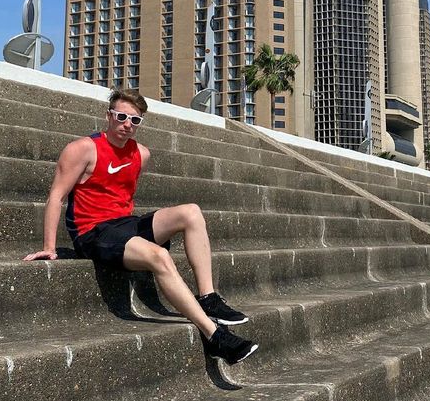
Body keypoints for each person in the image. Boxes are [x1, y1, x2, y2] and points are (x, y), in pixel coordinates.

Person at [24, 88, 257, 365]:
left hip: (125, 225)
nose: (127, 124)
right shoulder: (83, 149)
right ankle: (215, 336)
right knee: (160, 256)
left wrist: (140, 232)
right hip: (93, 233)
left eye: (135, 120)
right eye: (121, 116)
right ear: (108, 116)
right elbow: (56, 197)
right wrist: (49, 247)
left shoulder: (141, 154)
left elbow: (122, 195)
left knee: (191, 212)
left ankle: (208, 297)